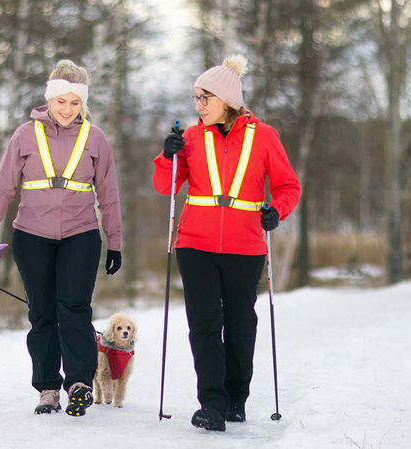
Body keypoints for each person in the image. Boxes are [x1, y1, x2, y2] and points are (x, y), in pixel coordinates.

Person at [152, 55, 300, 431]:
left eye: (205, 98)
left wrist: (276, 212)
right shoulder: (189, 137)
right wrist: (167, 156)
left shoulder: (263, 136)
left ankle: (236, 398)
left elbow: (288, 186)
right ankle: (212, 404)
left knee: (240, 323)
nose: (198, 106)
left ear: (227, 100)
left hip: (245, 244)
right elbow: (164, 185)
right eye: (196, 98)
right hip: (195, 244)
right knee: (203, 324)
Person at [0, 60, 123, 417]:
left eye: (74, 103)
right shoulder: (25, 134)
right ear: (49, 100)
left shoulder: (95, 138)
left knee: (73, 308)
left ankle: (80, 383)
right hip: (31, 235)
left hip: (80, 234)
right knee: (42, 313)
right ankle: (48, 388)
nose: (67, 109)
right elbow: (2, 188)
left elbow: (109, 194)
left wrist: (114, 240)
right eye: (61, 102)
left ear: (82, 104)